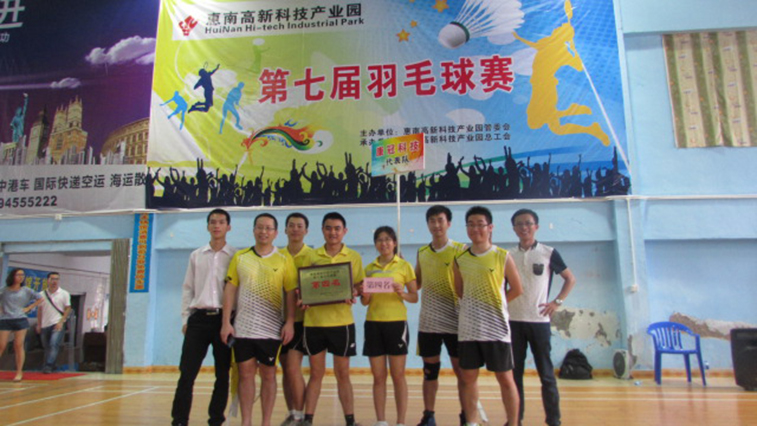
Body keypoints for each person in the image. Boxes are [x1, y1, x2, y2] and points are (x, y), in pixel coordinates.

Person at [221, 213, 297, 426]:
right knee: (245, 374)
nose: (264, 232)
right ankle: (246, 421)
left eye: (268, 228)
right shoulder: (241, 257)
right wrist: (226, 322)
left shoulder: (284, 259)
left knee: (269, 375)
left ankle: (266, 422)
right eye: (260, 227)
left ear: (276, 233)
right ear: (254, 230)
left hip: (271, 329)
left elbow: (290, 292)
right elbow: (230, 289)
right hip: (243, 328)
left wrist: (290, 322)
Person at [453, 206, 523, 426]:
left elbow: (517, 289)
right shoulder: (460, 258)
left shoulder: (502, 256)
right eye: (471, 224)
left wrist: (496, 305)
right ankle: (471, 422)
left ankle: (513, 423)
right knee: (468, 378)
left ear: (490, 227)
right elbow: (459, 290)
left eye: (480, 224)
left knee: (505, 378)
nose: (475, 229)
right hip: (469, 330)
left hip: (497, 330)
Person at [508, 209, 576, 426]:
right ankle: (515, 419)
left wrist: (557, 302)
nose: (524, 227)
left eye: (528, 223)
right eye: (519, 224)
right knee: (514, 375)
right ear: (514, 228)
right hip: (513, 322)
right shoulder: (507, 255)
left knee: (546, 375)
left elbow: (570, 279)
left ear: (536, 226)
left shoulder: (549, 253)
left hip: (539, 323)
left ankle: (554, 420)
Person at [171, 209, 237, 426]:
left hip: (224, 321)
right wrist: (185, 320)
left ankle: (216, 419)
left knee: (222, 375)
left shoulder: (236, 256)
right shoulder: (196, 255)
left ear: (228, 227)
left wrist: (233, 322)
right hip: (198, 320)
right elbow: (187, 288)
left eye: (221, 222)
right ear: (208, 226)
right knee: (187, 374)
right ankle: (179, 420)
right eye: (213, 222)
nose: (217, 226)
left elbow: (237, 291)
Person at [301, 212, 365, 426]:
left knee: (342, 374)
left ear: (344, 231)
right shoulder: (312, 255)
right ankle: (308, 419)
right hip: (314, 323)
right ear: (322, 230)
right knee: (316, 373)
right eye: (328, 228)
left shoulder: (353, 257)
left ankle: (350, 421)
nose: (333, 232)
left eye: (337, 228)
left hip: (342, 324)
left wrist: (354, 291)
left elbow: (359, 285)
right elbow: (303, 286)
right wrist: (303, 297)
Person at [415, 205, 467, 426]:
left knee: (462, 372)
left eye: (440, 220)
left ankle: (466, 415)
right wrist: (400, 270)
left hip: (457, 322)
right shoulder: (422, 252)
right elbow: (416, 283)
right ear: (428, 224)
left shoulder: (461, 250)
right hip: (429, 323)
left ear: (448, 223)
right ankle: (429, 416)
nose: (436, 225)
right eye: (432, 221)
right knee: (430, 372)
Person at [361, 226, 418, 426]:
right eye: (379, 239)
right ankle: (381, 421)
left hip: (396, 325)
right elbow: (364, 302)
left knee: (398, 376)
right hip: (373, 324)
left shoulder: (404, 266)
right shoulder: (369, 268)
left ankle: (400, 422)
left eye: (387, 239)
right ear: (375, 244)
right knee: (378, 377)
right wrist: (366, 295)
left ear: (394, 243)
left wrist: (402, 293)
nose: (383, 243)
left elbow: (414, 297)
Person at [279, 212, 314, 426]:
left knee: (293, 368)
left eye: (299, 226)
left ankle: (300, 415)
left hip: (302, 321)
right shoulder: (277, 255)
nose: (295, 229)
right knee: (286, 370)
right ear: (285, 230)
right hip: (278, 320)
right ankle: (292, 412)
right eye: (291, 225)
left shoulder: (313, 256)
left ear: (306, 231)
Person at [0, 268, 44, 382]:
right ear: (12, 276)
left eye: (22, 275)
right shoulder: (5, 290)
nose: (21, 277)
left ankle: (19, 371)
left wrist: (29, 307)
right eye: (18, 275)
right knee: (2, 345)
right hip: (5, 319)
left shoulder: (26, 290)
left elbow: (40, 298)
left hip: (20, 319)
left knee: (18, 345)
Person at [36, 272, 72, 374]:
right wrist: (39, 324)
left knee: (53, 344)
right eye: (52, 279)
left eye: (57, 279)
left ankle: (48, 366)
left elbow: (68, 308)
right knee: (46, 346)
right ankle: (53, 365)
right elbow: (40, 310)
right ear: (48, 280)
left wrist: (61, 321)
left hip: (57, 323)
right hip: (45, 324)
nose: (54, 281)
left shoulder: (64, 294)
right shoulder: (41, 294)